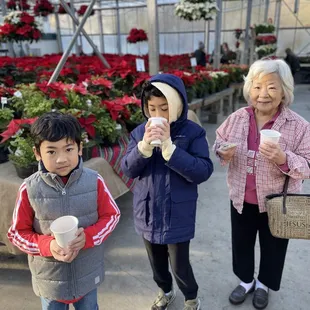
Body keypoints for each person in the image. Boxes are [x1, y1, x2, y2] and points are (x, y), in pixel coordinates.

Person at [213, 59, 310, 309]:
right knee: (241, 243)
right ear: (249, 89)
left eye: (271, 87)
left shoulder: (298, 126)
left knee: (273, 248)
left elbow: (308, 165)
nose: (263, 94)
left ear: (284, 91)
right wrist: (222, 152)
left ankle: (263, 284)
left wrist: (283, 158)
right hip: (241, 198)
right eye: (257, 87)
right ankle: (245, 281)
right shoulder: (237, 118)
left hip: (277, 203)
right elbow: (219, 141)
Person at [7, 112, 120, 310]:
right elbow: (17, 234)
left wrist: (89, 236)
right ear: (37, 153)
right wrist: (47, 246)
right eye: (51, 151)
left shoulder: (94, 180)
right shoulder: (30, 188)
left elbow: (111, 216)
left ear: (79, 148)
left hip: (87, 273)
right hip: (51, 280)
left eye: (68, 149)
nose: (61, 159)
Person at [121, 74, 214, 310]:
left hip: (177, 213)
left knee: (180, 264)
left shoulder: (192, 133)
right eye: (152, 109)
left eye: (165, 108)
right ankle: (165, 290)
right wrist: (143, 148)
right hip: (148, 210)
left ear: (179, 104)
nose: (158, 115)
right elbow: (127, 169)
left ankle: (191, 297)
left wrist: (171, 151)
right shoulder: (140, 132)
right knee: (156, 263)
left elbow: (203, 171)